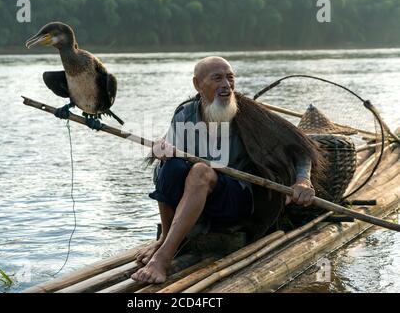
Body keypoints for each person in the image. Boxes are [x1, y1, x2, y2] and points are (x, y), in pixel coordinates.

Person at [131, 57, 326, 284]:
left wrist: (303, 180)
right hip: (194, 199)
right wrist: (160, 149)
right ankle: (166, 237)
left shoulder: (250, 114)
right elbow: (167, 152)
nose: (226, 84)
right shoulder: (184, 114)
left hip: (236, 202)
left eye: (230, 77)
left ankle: (163, 258)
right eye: (217, 78)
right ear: (197, 85)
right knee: (170, 164)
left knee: (200, 172)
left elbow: (300, 148)